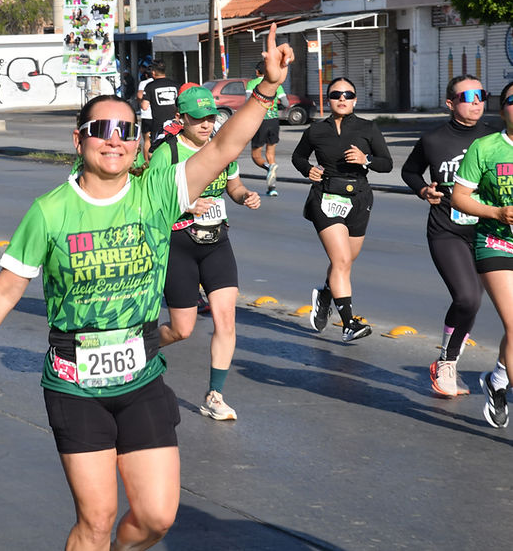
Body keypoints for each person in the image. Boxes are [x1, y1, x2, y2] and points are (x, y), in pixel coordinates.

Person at [0, 26, 294, 551]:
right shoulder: (50, 212)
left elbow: (226, 143)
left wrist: (266, 89)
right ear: (79, 138)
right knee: (96, 521)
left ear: (138, 140)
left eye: (125, 128)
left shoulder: (159, 191)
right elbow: (4, 291)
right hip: (75, 382)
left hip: (141, 374)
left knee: (157, 518)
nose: (114, 137)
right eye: (100, 127)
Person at [150, 87, 261, 421]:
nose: (205, 124)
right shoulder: (166, 153)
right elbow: (150, 201)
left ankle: (215, 395)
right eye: (197, 119)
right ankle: (138, 351)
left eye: (210, 117)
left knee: (225, 318)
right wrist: (185, 204)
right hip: (178, 246)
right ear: (180, 118)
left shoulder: (223, 147)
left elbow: (234, 186)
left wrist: (245, 197)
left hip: (216, 242)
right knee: (181, 330)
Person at [402, 75, 495, 397]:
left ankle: (454, 360)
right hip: (448, 230)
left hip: (489, 230)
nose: (476, 101)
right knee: (468, 297)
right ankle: (446, 363)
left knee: (477, 304)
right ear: (450, 103)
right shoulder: (433, 140)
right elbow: (409, 171)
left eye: (481, 94)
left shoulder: (495, 139)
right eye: (468, 96)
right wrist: (423, 189)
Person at [292, 77, 392, 342]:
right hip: (325, 196)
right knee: (341, 261)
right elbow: (298, 156)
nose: (342, 99)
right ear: (329, 99)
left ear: (355, 100)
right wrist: (308, 169)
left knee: (347, 260)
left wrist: (366, 159)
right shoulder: (316, 130)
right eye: (337, 95)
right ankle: (349, 323)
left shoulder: (368, 128)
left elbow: (387, 164)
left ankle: (326, 294)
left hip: (359, 197)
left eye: (348, 95)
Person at [451, 80, 513, 429]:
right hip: (495, 241)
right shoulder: (485, 147)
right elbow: (460, 198)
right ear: (502, 108)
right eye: (512, 100)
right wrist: (497, 213)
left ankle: (497, 379)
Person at [246, 61, 289, 197]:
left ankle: (268, 167)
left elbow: (248, 101)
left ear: (257, 71)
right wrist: (276, 107)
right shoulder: (276, 85)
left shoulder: (252, 84)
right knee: (270, 154)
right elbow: (286, 103)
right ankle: (272, 188)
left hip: (260, 121)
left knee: (256, 155)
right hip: (274, 121)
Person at [141, 60, 178, 159]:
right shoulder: (175, 84)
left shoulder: (150, 86)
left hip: (159, 124)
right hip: (175, 123)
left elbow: (144, 107)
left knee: (154, 151)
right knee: (174, 147)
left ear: (153, 72)